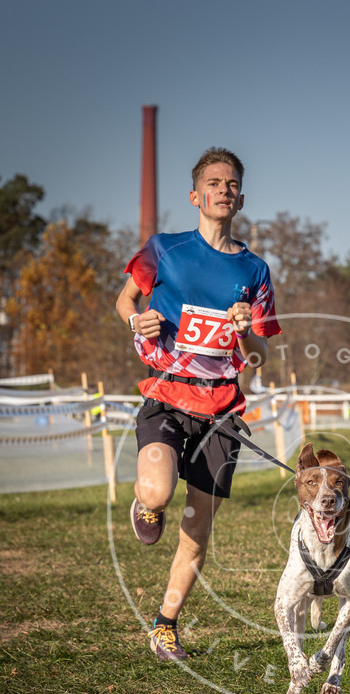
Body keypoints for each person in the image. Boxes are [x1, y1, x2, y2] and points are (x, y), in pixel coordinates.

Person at [116, 147, 281, 661]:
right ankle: (145, 503)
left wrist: (245, 332)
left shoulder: (255, 271)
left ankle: (165, 626)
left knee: (197, 528)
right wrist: (134, 321)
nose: (223, 190)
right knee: (159, 493)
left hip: (221, 411)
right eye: (214, 183)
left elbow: (258, 357)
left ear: (242, 198)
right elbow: (125, 300)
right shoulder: (165, 249)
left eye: (232, 184)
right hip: (168, 395)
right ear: (196, 195)